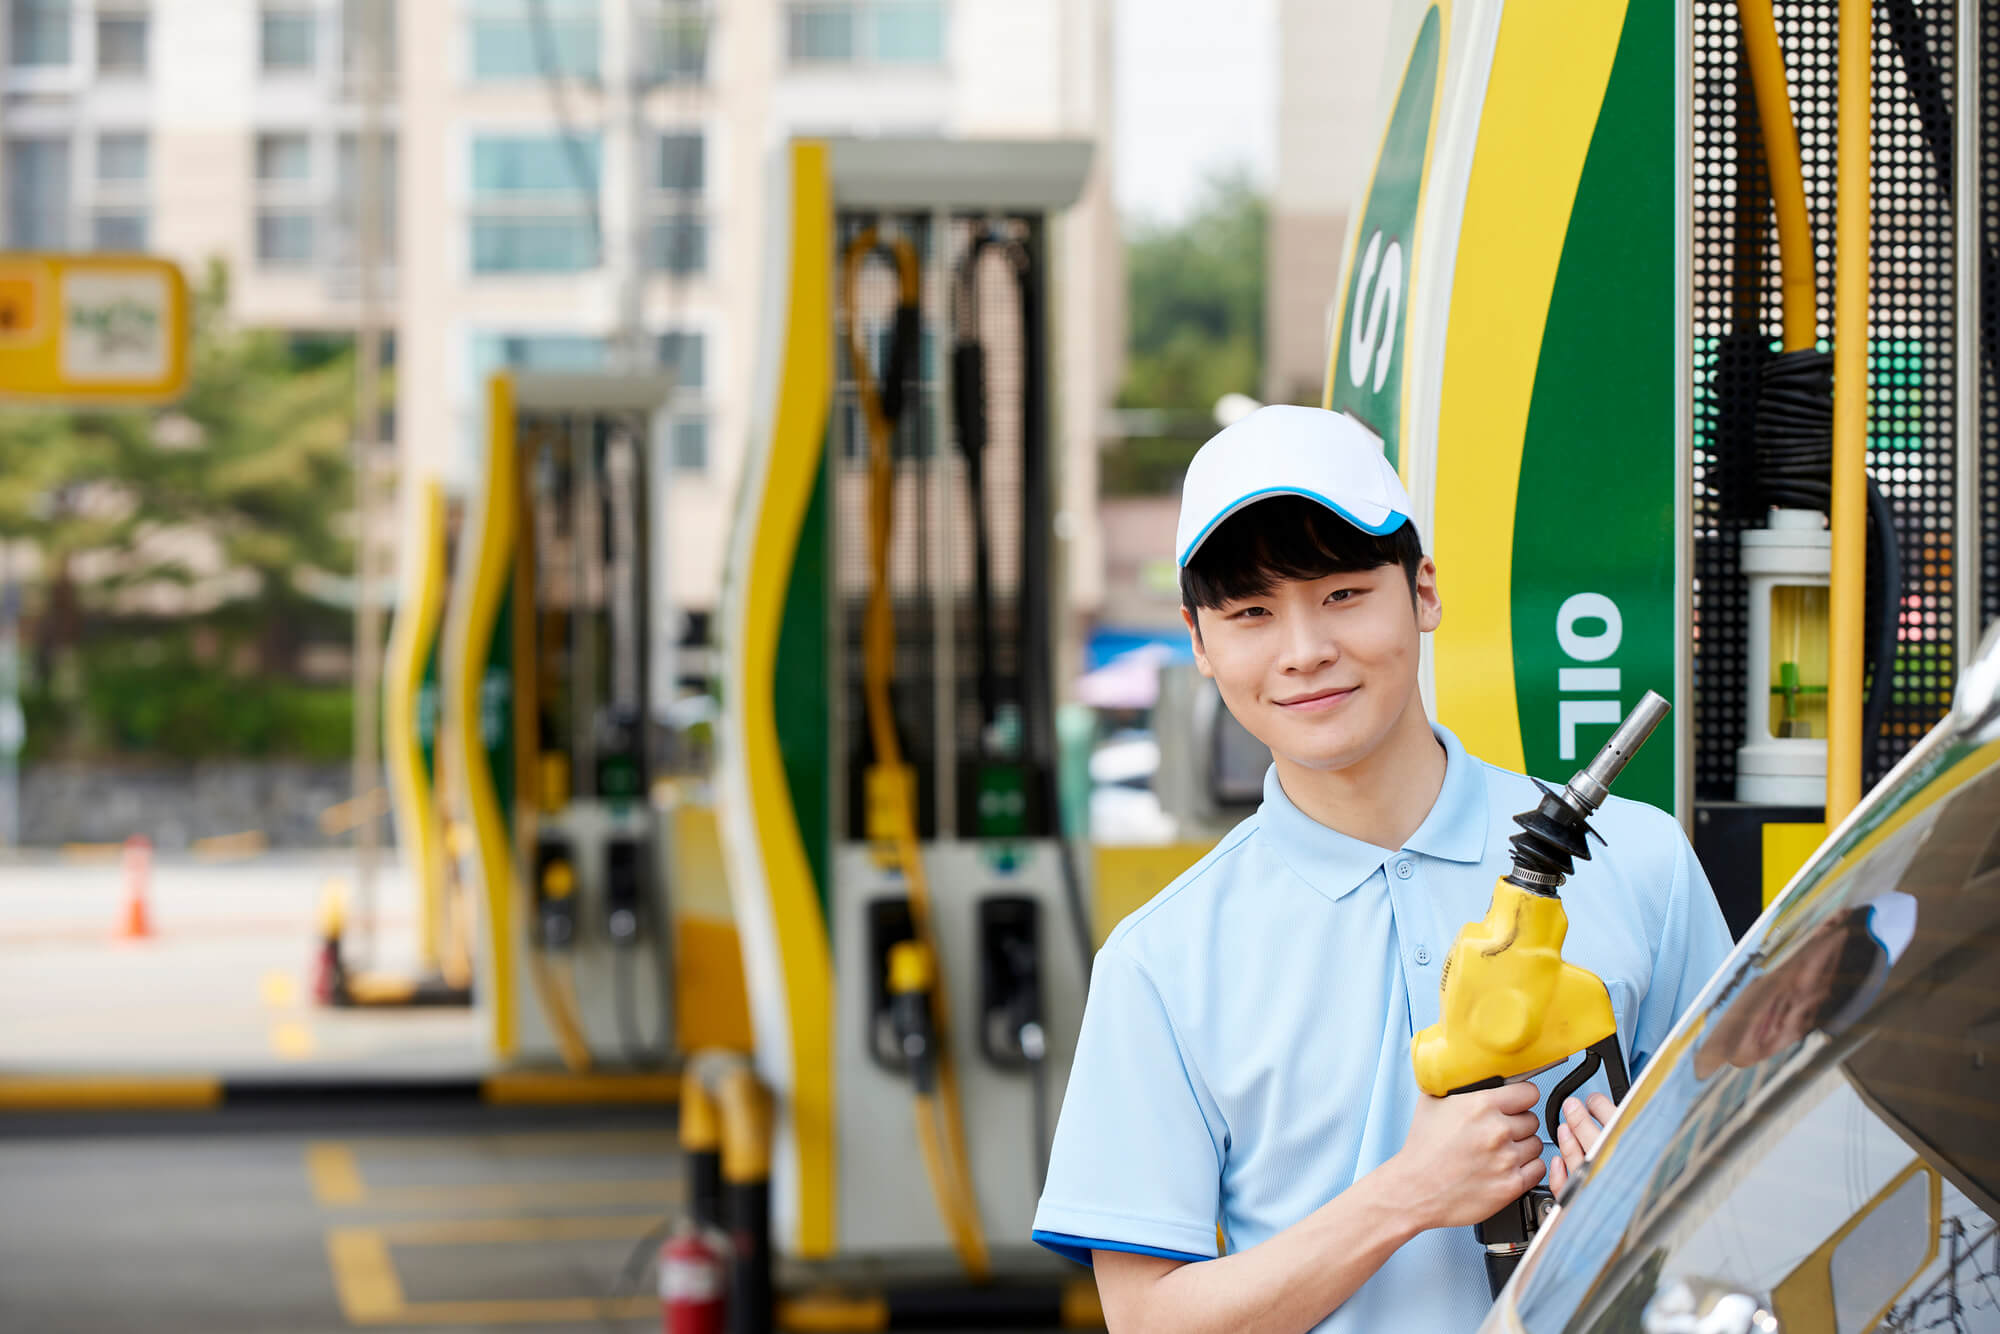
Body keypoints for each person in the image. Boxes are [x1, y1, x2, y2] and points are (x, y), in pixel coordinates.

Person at [1029, 406, 1735, 1333]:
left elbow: (1754, 1182)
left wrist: (1651, 1193)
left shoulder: (1641, 865)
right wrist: (1407, 1195)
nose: (1304, 650)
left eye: (1343, 594)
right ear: (1200, 645)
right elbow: (1147, 1318)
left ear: (1425, 591)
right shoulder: (1161, 962)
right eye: (1250, 614)